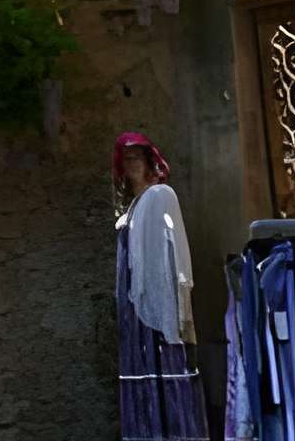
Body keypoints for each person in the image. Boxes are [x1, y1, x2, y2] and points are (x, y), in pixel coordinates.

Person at [114, 130, 211, 441]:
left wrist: (171, 310)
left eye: (137, 158)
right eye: (126, 158)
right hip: (132, 304)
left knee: (162, 370)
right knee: (142, 371)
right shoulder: (134, 206)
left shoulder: (160, 196)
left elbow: (173, 256)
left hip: (154, 304)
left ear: (149, 162)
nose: (131, 164)